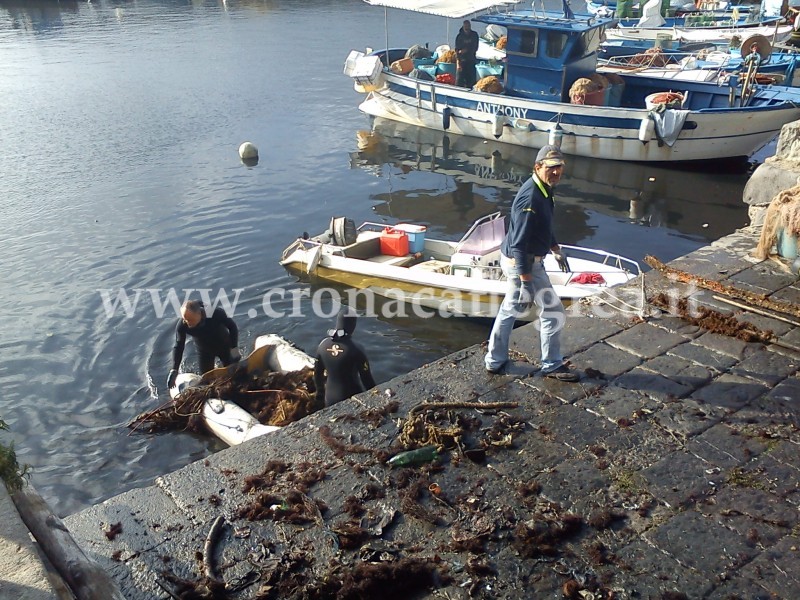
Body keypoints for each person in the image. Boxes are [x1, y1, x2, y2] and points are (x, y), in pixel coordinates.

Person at [484, 145, 580, 383]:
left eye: (559, 167)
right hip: (524, 262)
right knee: (553, 311)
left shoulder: (544, 188)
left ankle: (494, 361)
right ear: (537, 167)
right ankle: (552, 364)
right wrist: (526, 281)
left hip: (524, 260)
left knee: (509, 309)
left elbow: (543, 227)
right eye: (551, 168)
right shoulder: (531, 198)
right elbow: (519, 245)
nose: (556, 172)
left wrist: (556, 249)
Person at [167, 300, 241, 389]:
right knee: (207, 381)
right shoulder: (183, 325)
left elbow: (232, 327)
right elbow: (179, 345)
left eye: (190, 320)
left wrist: (234, 348)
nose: (187, 323)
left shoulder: (215, 313)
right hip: (205, 351)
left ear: (199, 313)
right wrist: (174, 369)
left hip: (224, 346)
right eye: (185, 319)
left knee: (234, 376)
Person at [314, 308, 376, 407]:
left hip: (329, 399)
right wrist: (376, 397)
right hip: (352, 399)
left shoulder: (323, 345)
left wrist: (320, 393)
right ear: (353, 325)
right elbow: (367, 381)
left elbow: (317, 374)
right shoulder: (357, 349)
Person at [455, 20, 479, 89]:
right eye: (465, 27)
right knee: (459, 81)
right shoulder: (459, 36)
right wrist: (458, 63)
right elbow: (457, 50)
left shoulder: (474, 35)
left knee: (471, 81)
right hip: (462, 60)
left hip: (471, 59)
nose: (467, 28)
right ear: (463, 27)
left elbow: (475, 47)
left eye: (468, 27)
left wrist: (466, 50)